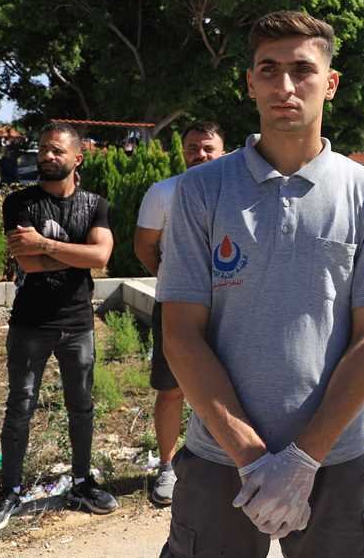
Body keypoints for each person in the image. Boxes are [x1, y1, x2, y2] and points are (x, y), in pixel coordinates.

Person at [157, 11, 364, 557]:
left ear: (331, 83)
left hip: (332, 460)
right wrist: (250, 454)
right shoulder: (201, 191)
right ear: (250, 83)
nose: (285, 86)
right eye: (268, 70)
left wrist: (302, 459)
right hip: (219, 461)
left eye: (303, 70)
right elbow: (181, 336)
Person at [0, 122, 118, 534]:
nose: (47, 156)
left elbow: (100, 256)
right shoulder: (19, 202)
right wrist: (75, 255)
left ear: (77, 158)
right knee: (20, 406)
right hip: (30, 324)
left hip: (78, 324)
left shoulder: (96, 204)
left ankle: (81, 482)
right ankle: (10, 490)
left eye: (56, 150)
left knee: (82, 406)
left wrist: (48, 245)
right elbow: (28, 263)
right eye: (43, 149)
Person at [134, 121, 225, 505]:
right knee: (171, 390)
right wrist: (176, 282)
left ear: (223, 150)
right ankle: (168, 467)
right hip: (176, 307)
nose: (199, 155)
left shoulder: (237, 193)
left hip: (229, 305)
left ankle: (223, 460)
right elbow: (145, 247)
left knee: (227, 387)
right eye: (192, 148)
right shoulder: (164, 192)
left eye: (208, 148)